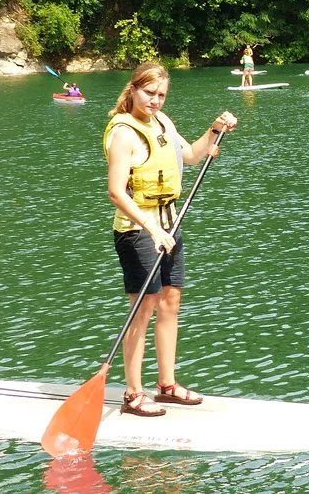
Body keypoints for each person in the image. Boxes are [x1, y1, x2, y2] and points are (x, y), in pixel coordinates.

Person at [103, 62, 238, 417]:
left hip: (170, 224)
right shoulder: (123, 133)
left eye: (161, 95)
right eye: (149, 93)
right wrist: (153, 230)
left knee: (171, 302)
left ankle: (167, 385)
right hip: (136, 230)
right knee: (143, 307)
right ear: (134, 89)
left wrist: (215, 129)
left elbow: (191, 156)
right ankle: (133, 393)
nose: (155, 101)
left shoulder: (163, 122)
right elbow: (116, 192)